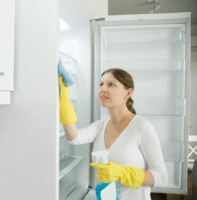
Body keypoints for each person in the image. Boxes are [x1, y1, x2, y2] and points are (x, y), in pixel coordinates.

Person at [59, 68, 168, 200]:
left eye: (111, 84)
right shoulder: (100, 126)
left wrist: (123, 173)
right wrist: (64, 101)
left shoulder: (142, 127)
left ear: (128, 93)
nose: (103, 89)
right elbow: (74, 137)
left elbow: (161, 177)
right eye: (101, 84)